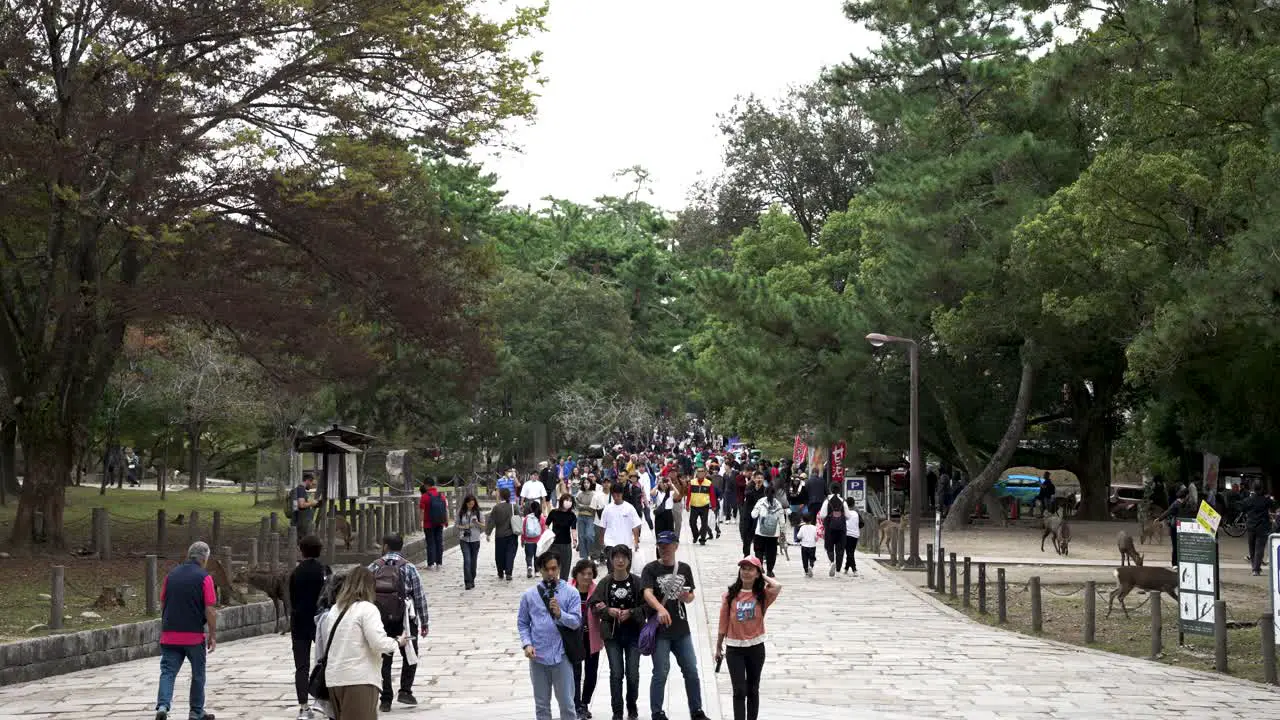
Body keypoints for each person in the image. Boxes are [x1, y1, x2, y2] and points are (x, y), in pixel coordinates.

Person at [321, 566, 408, 719]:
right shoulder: (367, 609)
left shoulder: (335, 609)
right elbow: (378, 643)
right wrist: (397, 642)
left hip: (334, 679)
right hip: (358, 680)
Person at [641, 531, 709, 720]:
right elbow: (647, 593)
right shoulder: (650, 569)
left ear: (676, 546)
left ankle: (696, 710)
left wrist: (688, 597)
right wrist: (659, 609)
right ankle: (657, 712)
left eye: (668, 545)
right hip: (660, 630)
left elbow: (691, 595)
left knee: (691, 670)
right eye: (661, 546)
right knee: (661, 672)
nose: (664, 549)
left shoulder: (684, 568)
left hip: (681, 628)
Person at [154, 541, 218, 720]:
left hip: (170, 634)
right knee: (198, 673)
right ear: (204, 558)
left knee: (167, 671)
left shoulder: (171, 576)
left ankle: (163, 706)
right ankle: (196, 711)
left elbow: (163, 602)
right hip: (193, 636)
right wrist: (212, 634)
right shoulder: (204, 578)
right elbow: (210, 609)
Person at [713, 556, 781, 720]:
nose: (746, 571)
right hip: (734, 649)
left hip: (756, 648)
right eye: (743, 568)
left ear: (757, 573)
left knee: (752, 689)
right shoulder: (730, 595)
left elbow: (777, 586)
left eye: (750, 569)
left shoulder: (762, 595)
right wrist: (718, 646)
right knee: (739, 691)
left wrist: (762, 574)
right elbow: (723, 622)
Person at [518, 551, 582, 720]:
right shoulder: (529, 595)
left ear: (559, 568)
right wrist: (527, 644)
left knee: (567, 705)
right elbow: (523, 623)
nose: (551, 573)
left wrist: (561, 614)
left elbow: (576, 622)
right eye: (547, 569)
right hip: (538, 656)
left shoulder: (571, 592)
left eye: (554, 568)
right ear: (540, 570)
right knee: (541, 706)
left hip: (562, 656)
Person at [368, 534, 429, 713]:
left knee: (384, 659)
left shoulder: (374, 566)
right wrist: (424, 621)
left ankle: (385, 698)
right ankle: (405, 691)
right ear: (401, 547)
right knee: (410, 655)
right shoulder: (409, 568)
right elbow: (419, 596)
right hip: (405, 620)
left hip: (380, 619)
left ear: (385, 546)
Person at [589, 545, 643, 720]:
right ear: (611, 560)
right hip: (613, 635)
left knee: (633, 673)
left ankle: (632, 706)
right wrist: (608, 611)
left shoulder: (637, 582)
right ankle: (617, 711)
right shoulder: (606, 582)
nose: (620, 560)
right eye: (616, 557)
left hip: (634, 633)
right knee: (616, 672)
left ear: (629, 560)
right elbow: (594, 604)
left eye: (624, 557)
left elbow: (647, 606)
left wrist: (632, 612)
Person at [289, 535, 329, 720]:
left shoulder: (296, 573)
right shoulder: (324, 571)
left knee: (302, 666)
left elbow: (292, 598)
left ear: (301, 550)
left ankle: (303, 706)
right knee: (326, 661)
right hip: (321, 620)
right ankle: (325, 702)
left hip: (300, 621)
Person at [570, 559, 602, 719]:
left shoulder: (597, 591)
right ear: (576, 574)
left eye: (590, 574)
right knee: (575, 672)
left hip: (591, 637)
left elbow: (604, 612)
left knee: (591, 673)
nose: (587, 577)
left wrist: (602, 609)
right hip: (574, 639)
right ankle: (576, 705)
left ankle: (584, 703)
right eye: (583, 574)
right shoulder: (568, 589)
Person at [749, 484, 785, 577]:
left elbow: (753, 515)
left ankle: (760, 568)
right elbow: (782, 521)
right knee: (771, 552)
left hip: (760, 532)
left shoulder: (760, 502)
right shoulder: (778, 504)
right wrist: (782, 532)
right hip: (773, 534)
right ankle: (770, 570)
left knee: (759, 550)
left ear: (765, 492)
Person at [1241, 482, 1275, 575]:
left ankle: (1254, 567)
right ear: (1261, 489)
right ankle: (1256, 569)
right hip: (1263, 526)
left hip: (1251, 526)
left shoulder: (1248, 500)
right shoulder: (1266, 500)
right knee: (1259, 548)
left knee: (1251, 547)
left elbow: (1242, 508)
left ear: (1253, 489)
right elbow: (1273, 507)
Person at [486, 487, 519, 581]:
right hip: (512, 534)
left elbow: (491, 521)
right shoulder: (514, 507)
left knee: (499, 554)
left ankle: (500, 571)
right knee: (510, 554)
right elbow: (519, 518)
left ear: (500, 496)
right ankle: (509, 572)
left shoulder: (496, 508)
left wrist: (488, 533)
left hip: (500, 535)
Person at [600, 485, 643, 553]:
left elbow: (635, 526)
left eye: (618, 494)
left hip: (626, 544)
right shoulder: (607, 508)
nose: (616, 497)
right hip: (610, 543)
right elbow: (603, 526)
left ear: (622, 494)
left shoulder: (629, 508)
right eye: (614, 495)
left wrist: (636, 541)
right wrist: (602, 542)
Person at [419, 477, 449, 570]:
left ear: (426, 485)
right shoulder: (441, 496)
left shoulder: (424, 496)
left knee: (430, 543)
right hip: (440, 522)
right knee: (439, 542)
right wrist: (446, 521)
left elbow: (422, 511)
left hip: (428, 523)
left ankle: (430, 564)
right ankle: (439, 563)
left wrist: (421, 522)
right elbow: (446, 509)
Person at [548, 495, 580, 582]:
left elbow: (573, 529)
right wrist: (546, 537)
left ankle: (563, 588)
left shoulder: (572, 515)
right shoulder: (553, 513)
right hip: (554, 544)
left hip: (566, 544)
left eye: (570, 501)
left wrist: (575, 540)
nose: (568, 502)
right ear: (561, 501)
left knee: (565, 569)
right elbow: (546, 525)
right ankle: (552, 586)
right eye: (566, 500)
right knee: (553, 567)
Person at [457, 494, 485, 590]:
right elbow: (457, 525)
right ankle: (467, 582)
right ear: (466, 503)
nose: (471, 506)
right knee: (467, 560)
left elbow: (484, 526)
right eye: (469, 504)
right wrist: (465, 527)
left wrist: (476, 523)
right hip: (464, 539)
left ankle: (472, 578)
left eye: (472, 504)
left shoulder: (478, 512)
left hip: (475, 540)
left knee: (473, 562)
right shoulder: (461, 512)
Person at [576, 475, 607, 561]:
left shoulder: (594, 494)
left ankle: (592, 553)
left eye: (588, 482)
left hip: (590, 517)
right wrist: (585, 506)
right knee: (581, 537)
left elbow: (592, 507)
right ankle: (584, 556)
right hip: (581, 517)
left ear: (591, 483)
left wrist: (583, 506)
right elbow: (577, 506)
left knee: (589, 536)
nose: (586, 484)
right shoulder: (580, 493)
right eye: (584, 483)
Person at [739, 472, 768, 558]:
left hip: (760, 516)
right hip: (748, 516)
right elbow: (747, 495)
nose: (759, 480)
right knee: (747, 537)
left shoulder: (765, 489)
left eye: (761, 478)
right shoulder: (749, 487)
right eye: (758, 478)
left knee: (759, 537)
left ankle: (759, 557)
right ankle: (746, 555)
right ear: (754, 479)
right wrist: (756, 489)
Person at [819, 495, 849, 577]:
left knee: (829, 547)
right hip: (841, 529)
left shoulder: (826, 501)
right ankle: (838, 570)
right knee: (840, 549)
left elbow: (822, 515)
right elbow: (848, 516)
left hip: (829, 528)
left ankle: (832, 562)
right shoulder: (843, 501)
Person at [686, 467, 716, 545]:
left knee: (704, 523)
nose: (700, 473)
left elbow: (712, 495)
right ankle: (695, 535)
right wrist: (687, 504)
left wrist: (713, 505)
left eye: (702, 472)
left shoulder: (708, 483)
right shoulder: (692, 482)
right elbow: (688, 494)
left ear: (705, 473)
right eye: (699, 472)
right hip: (694, 506)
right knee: (692, 522)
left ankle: (702, 539)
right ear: (696, 473)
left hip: (704, 506)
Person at [796, 513, 819, 578]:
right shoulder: (814, 527)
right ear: (811, 520)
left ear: (803, 520)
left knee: (804, 559)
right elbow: (816, 537)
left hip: (804, 546)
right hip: (812, 546)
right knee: (812, 558)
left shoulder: (802, 527)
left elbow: (798, 536)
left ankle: (806, 571)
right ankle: (811, 566)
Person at [844, 502, 862, 575]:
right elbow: (862, 523)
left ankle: (854, 570)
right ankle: (846, 568)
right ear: (853, 504)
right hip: (855, 535)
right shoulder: (856, 513)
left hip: (847, 534)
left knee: (849, 552)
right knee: (851, 552)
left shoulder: (845, 513)